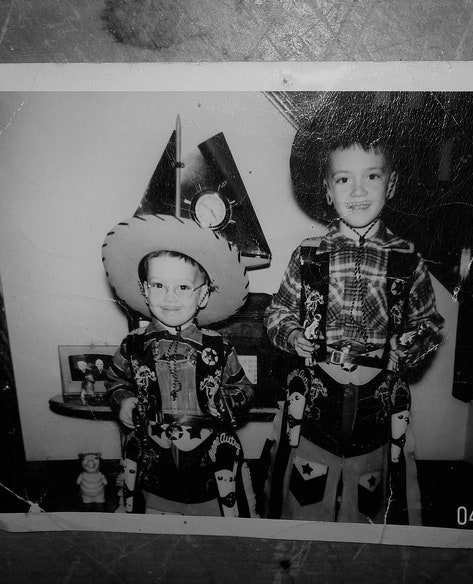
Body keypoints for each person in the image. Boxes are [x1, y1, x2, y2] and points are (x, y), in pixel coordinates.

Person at [264, 102, 445, 525]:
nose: (358, 191)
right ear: (328, 190)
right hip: (316, 399)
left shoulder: (406, 259)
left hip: (377, 402)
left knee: (370, 490)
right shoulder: (309, 256)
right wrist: (292, 336)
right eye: (344, 179)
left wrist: (410, 344)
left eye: (372, 176)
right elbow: (276, 313)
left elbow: (430, 325)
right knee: (307, 487)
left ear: (391, 184)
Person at [102, 214, 258, 517]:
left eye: (183, 288)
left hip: (210, 465)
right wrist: (124, 400)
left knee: (214, 534)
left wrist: (224, 402)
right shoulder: (132, 345)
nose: (169, 297)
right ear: (145, 290)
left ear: (202, 296)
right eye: (158, 285)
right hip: (152, 465)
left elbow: (243, 388)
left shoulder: (219, 347)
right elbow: (115, 380)